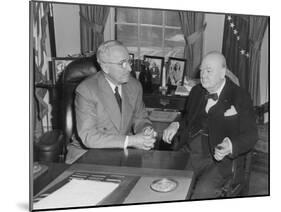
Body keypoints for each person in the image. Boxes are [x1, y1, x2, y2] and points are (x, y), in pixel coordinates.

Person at [162, 51, 258, 199]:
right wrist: (175, 125)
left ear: (222, 73)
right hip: (189, 153)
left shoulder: (240, 96)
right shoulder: (196, 91)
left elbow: (251, 135)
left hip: (218, 161)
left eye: (208, 71)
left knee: (202, 194)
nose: (203, 75)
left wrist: (230, 145)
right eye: (201, 71)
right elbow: (187, 118)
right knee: (168, 186)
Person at [66, 40, 157, 164]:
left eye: (129, 61)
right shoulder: (87, 90)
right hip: (87, 155)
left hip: (122, 154)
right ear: (105, 67)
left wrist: (145, 130)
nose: (130, 69)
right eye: (122, 64)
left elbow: (140, 118)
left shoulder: (134, 86)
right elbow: (89, 137)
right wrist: (132, 141)